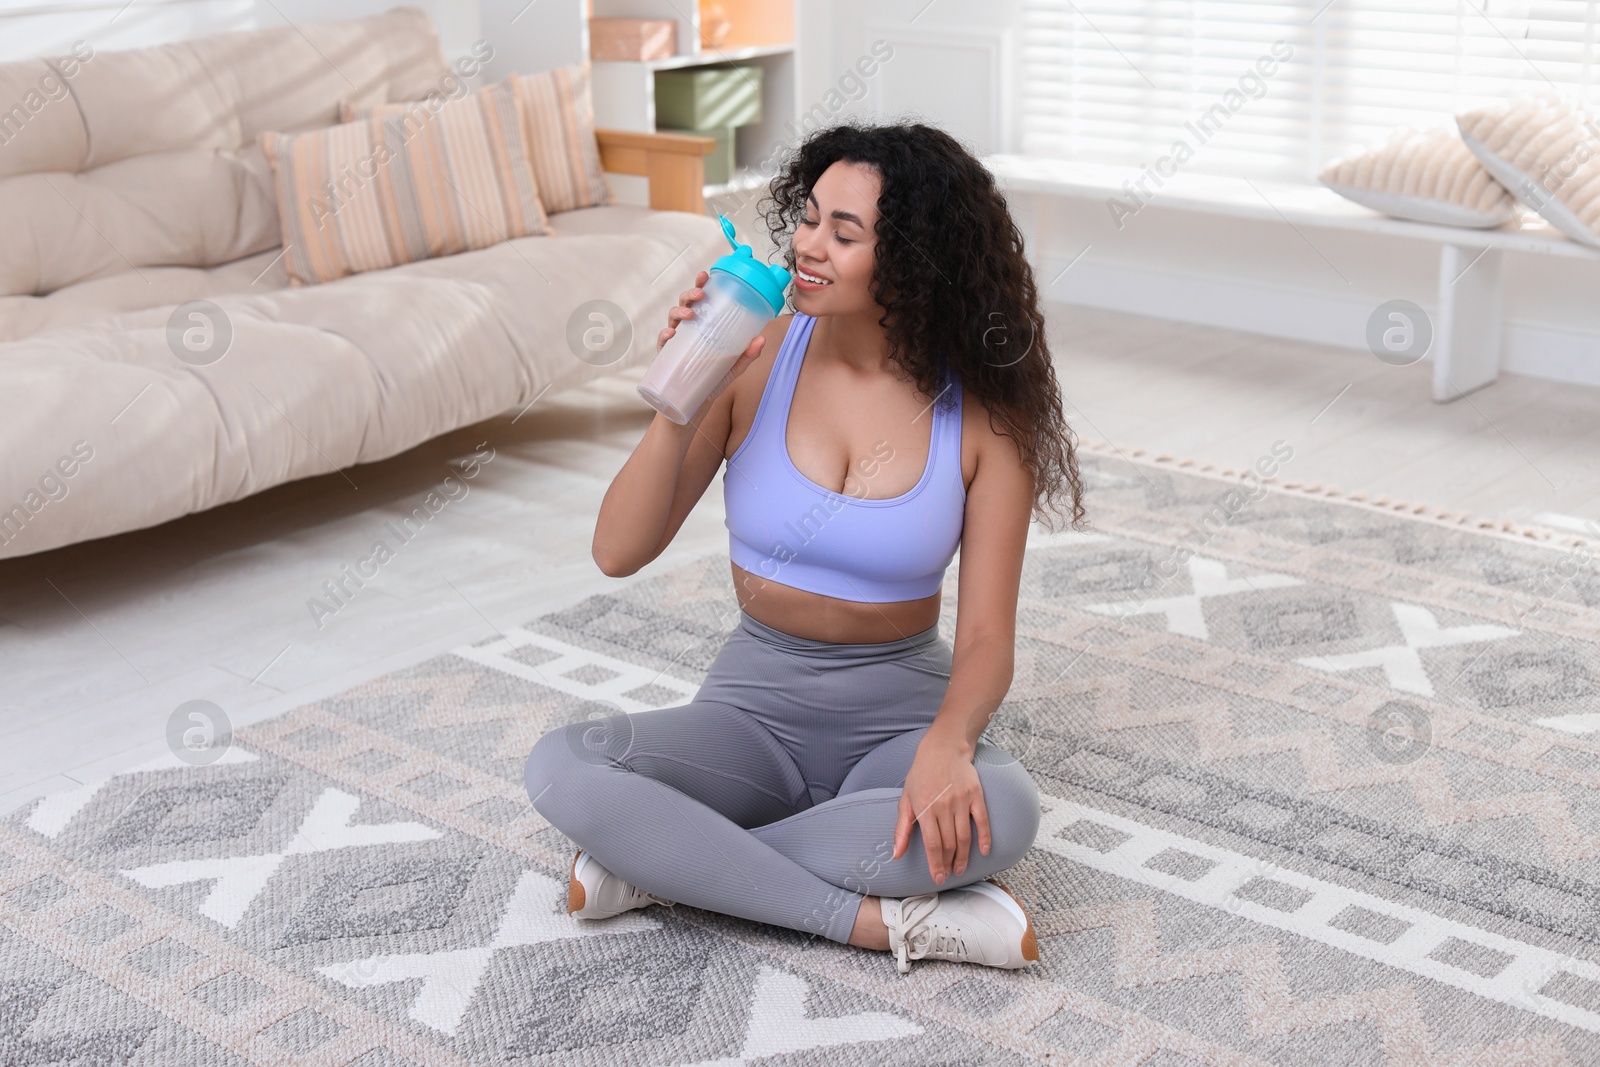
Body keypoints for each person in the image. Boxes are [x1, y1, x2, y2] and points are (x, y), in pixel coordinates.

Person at [524, 120, 1086, 975]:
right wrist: (684, 384)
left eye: (843, 232)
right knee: (563, 766)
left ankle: (665, 863)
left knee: (1004, 809)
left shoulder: (982, 417)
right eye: (811, 216)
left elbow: (984, 642)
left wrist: (947, 743)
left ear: (913, 258)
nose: (807, 245)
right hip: (749, 713)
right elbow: (616, 550)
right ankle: (876, 924)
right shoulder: (751, 359)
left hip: (899, 719)